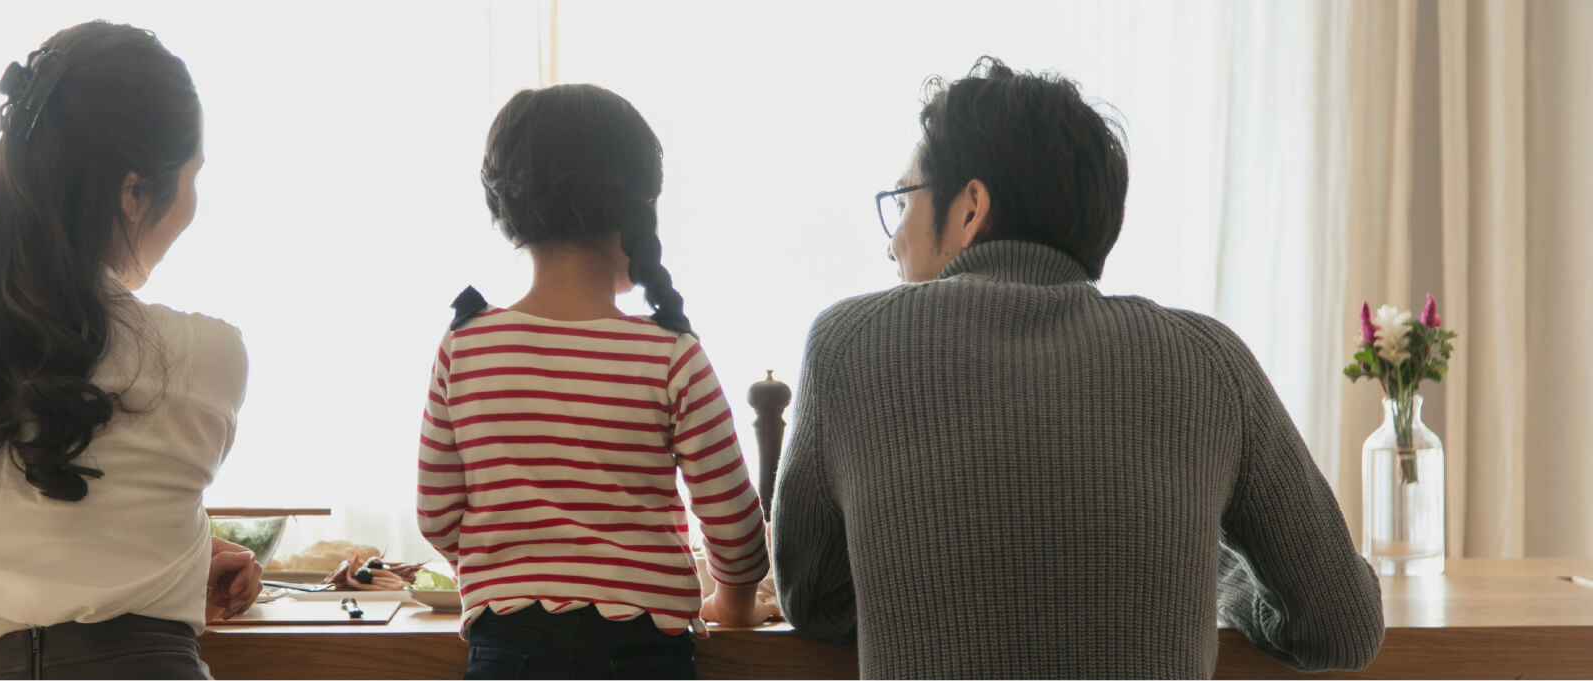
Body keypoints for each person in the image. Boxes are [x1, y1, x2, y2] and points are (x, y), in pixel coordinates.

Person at [770, 57, 1386, 678]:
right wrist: (1216, 575)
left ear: (969, 208)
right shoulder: (1209, 362)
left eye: (903, 201)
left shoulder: (846, 346)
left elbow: (811, 599)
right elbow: (1341, 628)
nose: (893, 239)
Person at [0, 21, 258, 679]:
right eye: (191, 176)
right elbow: (111, 500)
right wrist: (172, 564)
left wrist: (179, 555)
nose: (192, 202)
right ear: (133, 191)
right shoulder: (207, 357)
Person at [415, 83, 775, 680]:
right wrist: (732, 606)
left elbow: (436, 515)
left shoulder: (466, 343)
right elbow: (735, 528)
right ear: (638, 210)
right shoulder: (672, 354)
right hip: (641, 653)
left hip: (507, 646)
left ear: (507, 215)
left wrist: (509, 573)